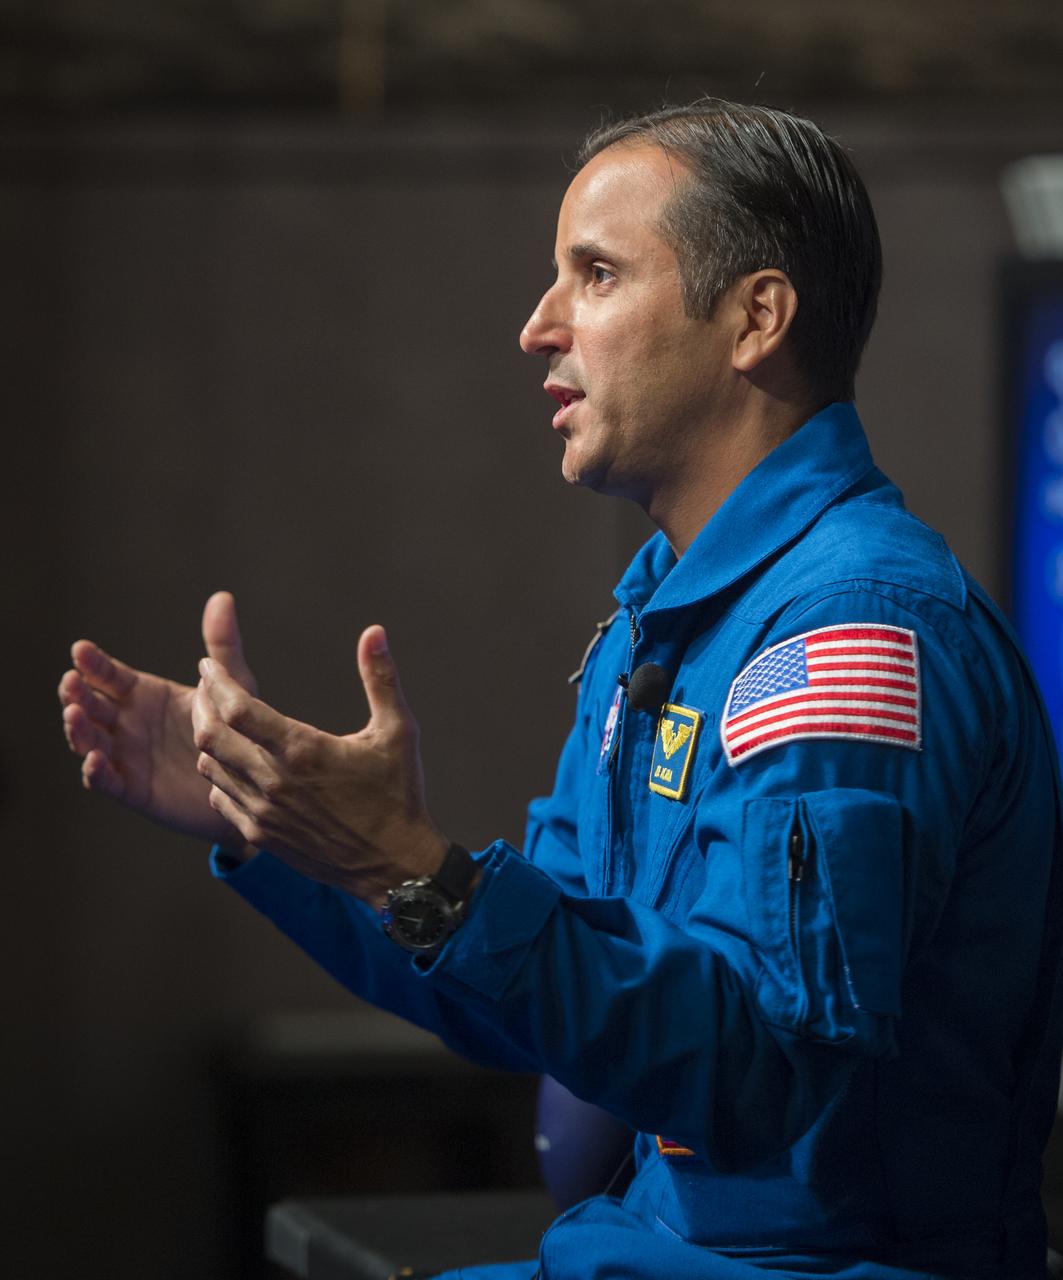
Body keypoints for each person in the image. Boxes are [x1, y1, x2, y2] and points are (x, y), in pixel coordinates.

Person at [58, 100, 1063, 1280]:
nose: (538, 327)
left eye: (592, 274)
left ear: (756, 317)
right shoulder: (670, 618)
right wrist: (293, 833)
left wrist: (405, 862)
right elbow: (520, 994)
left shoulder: (846, 632)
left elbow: (761, 1075)